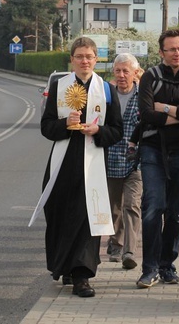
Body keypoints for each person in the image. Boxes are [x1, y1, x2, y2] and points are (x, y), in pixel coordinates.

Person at [34, 36, 123, 298]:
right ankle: (65, 267)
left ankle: (82, 275)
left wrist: (98, 130)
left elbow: (117, 131)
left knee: (87, 219)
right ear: (71, 60)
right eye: (80, 56)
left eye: (89, 56)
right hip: (62, 165)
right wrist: (65, 124)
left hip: (92, 165)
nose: (85, 61)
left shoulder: (107, 90)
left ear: (96, 60)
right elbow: (46, 127)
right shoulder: (59, 87)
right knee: (60, 215)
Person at [135, 29, 179, 288]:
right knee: (153, 208)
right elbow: (145, 114)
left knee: (176, 214)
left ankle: (167, 266)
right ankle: (150, 268)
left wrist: (165, 109)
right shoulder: (150, 77)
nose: (177, 54)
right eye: (172, 49)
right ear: (161, 52)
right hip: (153, 149)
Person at [106, 53, 143, 271]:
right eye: (118, 71)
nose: (121, 75)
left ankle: (130, 251)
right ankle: (115, 243)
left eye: (126, 71)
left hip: (135, 161)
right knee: (114, 208)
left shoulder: (142, 97)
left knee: (132, 204)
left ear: (135, 73)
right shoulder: (108, 96)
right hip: (111, 158)